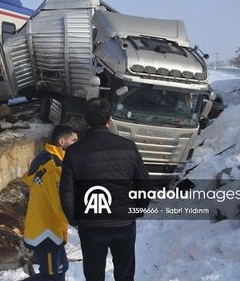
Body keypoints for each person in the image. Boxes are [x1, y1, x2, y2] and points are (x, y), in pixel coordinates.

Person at [60, 98, 150, 281]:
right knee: (125, 272)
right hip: (124, 223)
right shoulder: (128, 147)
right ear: (109, 120)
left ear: (85, 119)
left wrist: (75, 219)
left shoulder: (74, 152)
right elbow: (145, 185)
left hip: (91, 224)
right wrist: (137, 210)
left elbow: (66, 192)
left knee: (94, 274)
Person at [23, 124, 78, 281]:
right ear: (62, 141)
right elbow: (59, 203)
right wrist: (78, 221)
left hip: (51, 229)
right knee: (50, 275)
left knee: (62, 268)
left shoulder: (48, 157)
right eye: (74, 140)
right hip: (46, 233)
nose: (77, 144)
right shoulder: (52, 166)